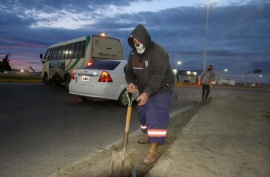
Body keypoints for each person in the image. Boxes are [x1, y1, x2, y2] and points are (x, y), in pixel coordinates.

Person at [125, 24, 175, 165]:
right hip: (145, 88)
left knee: (156, 114)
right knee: (143, 113)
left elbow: (158, 75)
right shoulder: (133, 54)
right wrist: (131, 83)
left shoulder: (157, 52)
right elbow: (129, 71)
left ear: (145, 39)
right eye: (134, 42)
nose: (137, 44)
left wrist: (147, 92)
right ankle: (149, 136)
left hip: (161, 87)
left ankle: (153, 149)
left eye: (138, 41)